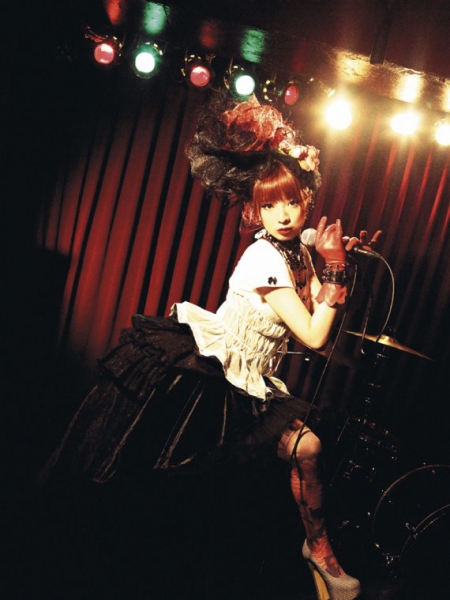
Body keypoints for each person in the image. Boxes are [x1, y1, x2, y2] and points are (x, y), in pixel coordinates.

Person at [39, 92, 380, 600]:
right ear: (254, 209)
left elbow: (323, 318)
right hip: (216, 377)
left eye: (291, 201)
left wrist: (339, 266)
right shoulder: (263, 258)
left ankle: (318, 549)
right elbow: (313, 335)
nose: (282, 214)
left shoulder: (295, 255)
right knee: (181, 491)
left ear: (307, 199)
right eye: (269, 204)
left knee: (301, 451)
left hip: (254, 383)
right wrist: (334, 270)